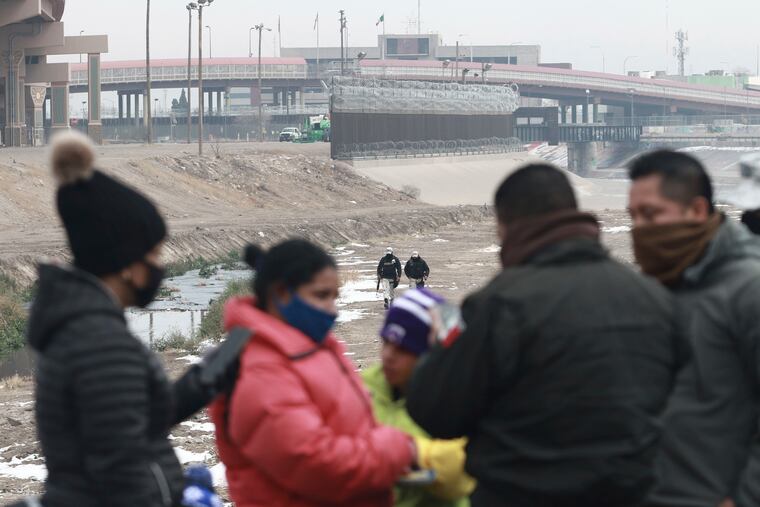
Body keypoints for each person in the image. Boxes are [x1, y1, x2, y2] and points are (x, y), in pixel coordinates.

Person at [406, 163, 683, 507]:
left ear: (507, 226)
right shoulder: (652, 297)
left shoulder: (501, 303)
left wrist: (441, 343)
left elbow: (436, 412)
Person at [27, 131, 245, 507]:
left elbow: (130, 425)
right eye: (156, 255)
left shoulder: (85, 328)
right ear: (128, 264)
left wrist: (205, 378)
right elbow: (123, 473)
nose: (160, 267)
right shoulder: (100, 342)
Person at [209, 239, 416, 507]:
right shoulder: (261, 371)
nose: (332, 309)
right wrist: (396, 448)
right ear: (281, 293)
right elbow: (317, 466)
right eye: (321, 295)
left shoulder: (309, 347)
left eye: (334, 297)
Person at [628, 150, 760, 507]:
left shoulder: (748, 288)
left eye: (651, 214)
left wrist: (744, 499)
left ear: (698, 211)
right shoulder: (658, 286)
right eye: (633, 216)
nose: (639, 228)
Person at [362, 289, 475, 507]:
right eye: (386, 342)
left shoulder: (457, 397)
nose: (388, 356)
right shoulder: (363, 387)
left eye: (404, 349)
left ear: (432, 355)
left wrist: (409, 453)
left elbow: (459, 475)